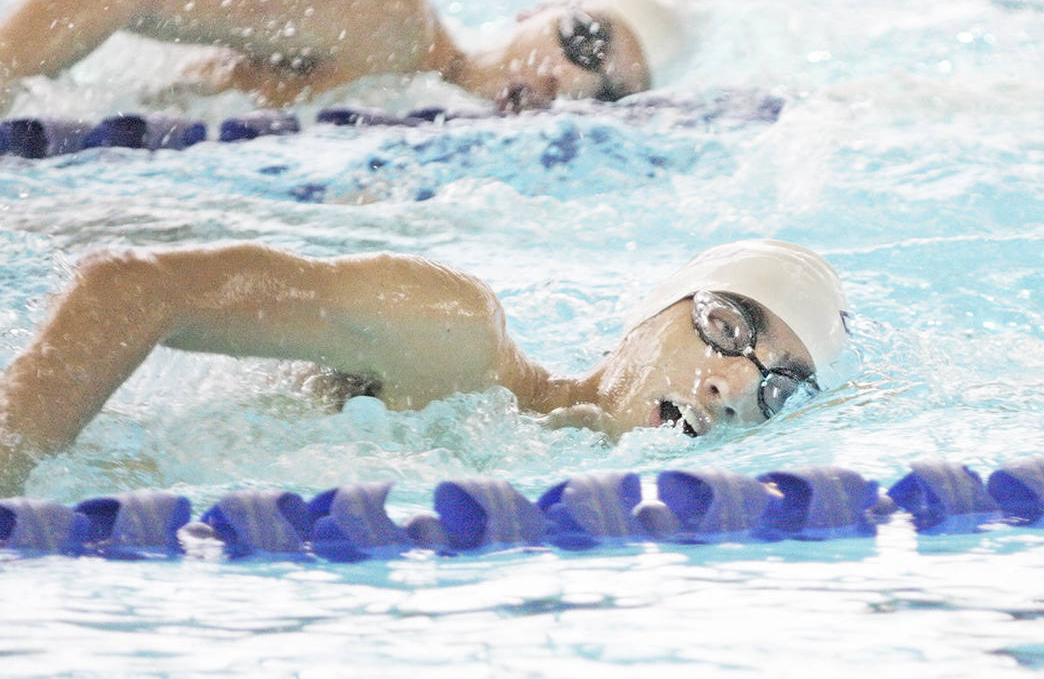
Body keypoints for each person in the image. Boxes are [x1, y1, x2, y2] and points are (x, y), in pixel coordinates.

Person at [0, 239, 848, 493]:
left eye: (773, 386)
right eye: (727, 327)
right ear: (648, 312)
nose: (732, 385)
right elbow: (130, 289)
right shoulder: (446, 335)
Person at [0, 0, 685, 115]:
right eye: (585, 41)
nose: (569, 82)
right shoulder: (385, 18)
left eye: (608, 92)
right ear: (540, 7)